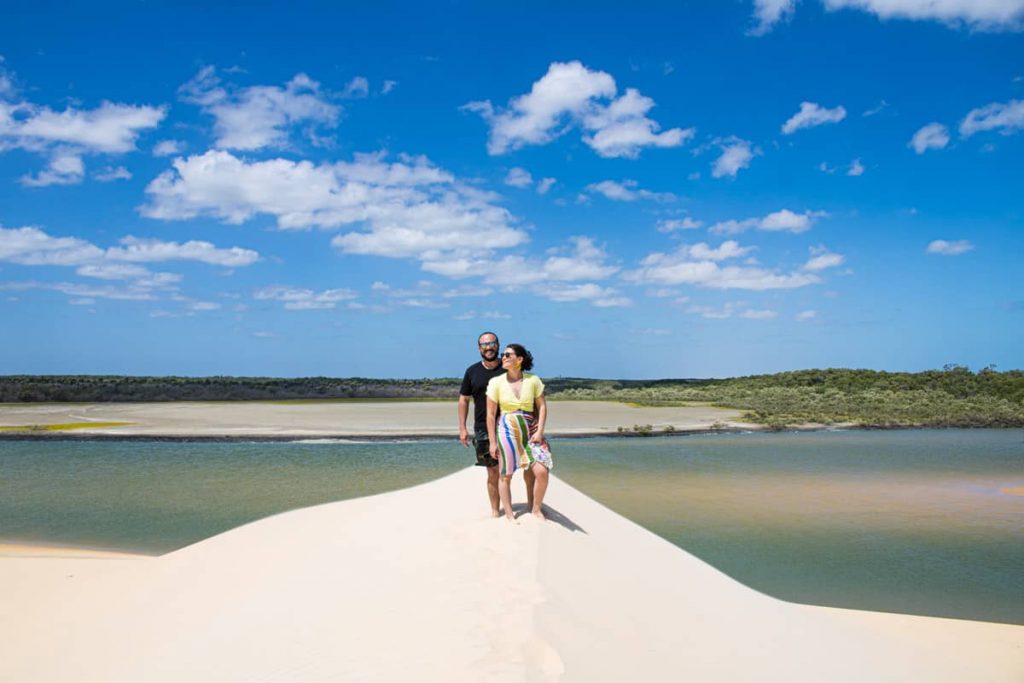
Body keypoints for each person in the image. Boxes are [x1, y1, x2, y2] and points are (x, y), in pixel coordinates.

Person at [458, 332, 536, 516]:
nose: (489, 347)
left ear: (498, 345)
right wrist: (462, 428)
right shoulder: (472, 371)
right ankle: (495, 512)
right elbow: (464, 400)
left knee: (528, 466)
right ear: (479, 348)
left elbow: (526, 390)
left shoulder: (509, 367)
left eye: (492, 343)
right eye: (484, 344)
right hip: (484, 429)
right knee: (493, 472)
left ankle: (532, 507)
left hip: (514, 425)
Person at [486, 343, 552, 522]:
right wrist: (492, 442)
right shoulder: (496, 382)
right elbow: (491, 415)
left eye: (508, 354)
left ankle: (536, 509)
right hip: (507, 428)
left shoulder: (533, 380)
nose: (504, 357)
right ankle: (509, 515)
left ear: (520, 359)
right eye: (503, 355)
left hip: (530, 428)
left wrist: (540, 431)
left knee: (541, 471)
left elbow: (542, 406)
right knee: (505, 473)